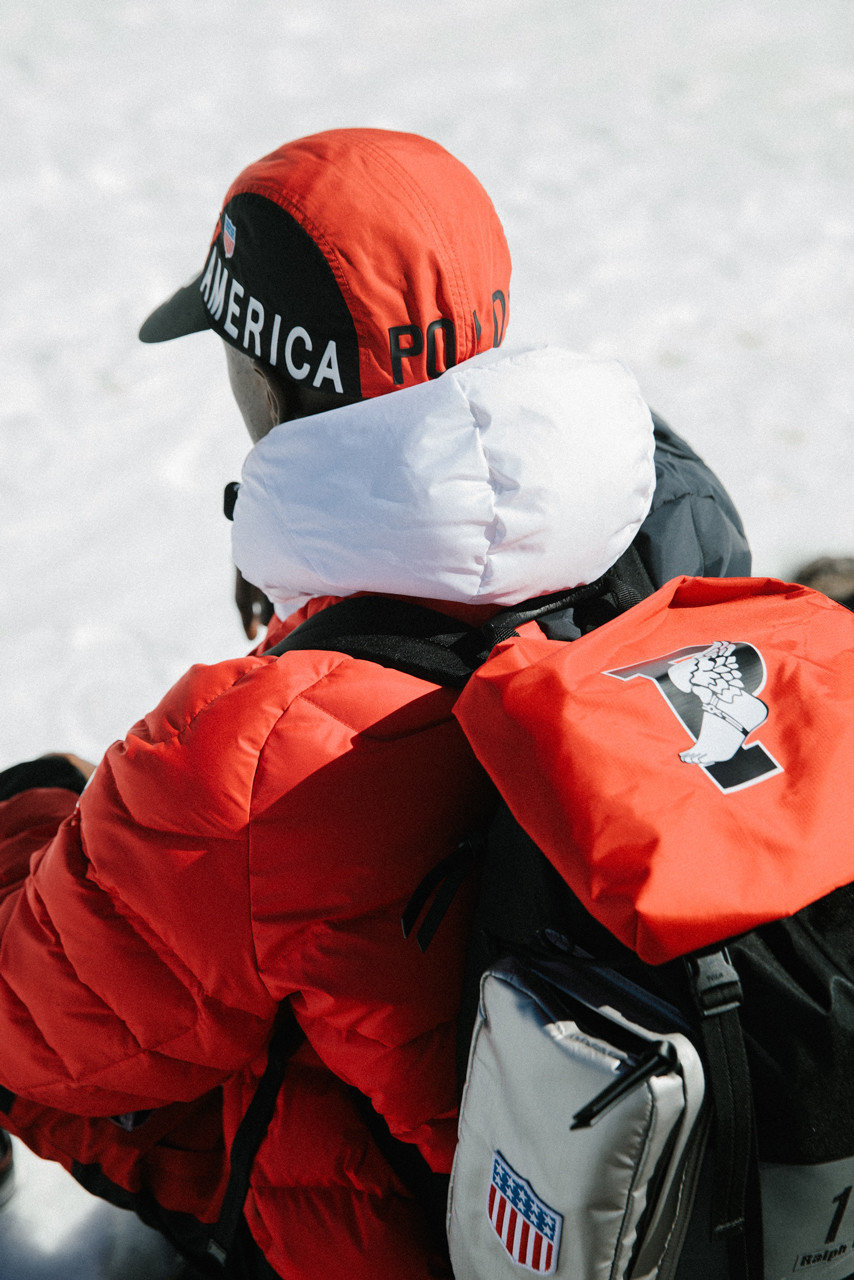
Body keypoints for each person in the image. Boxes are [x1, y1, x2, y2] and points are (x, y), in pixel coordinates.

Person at [0, 127, 750, 1280]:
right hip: (670, 1173)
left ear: (267, 373)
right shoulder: (665, 513)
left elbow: (33, 1022)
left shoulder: (253, 750)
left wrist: (44, 816)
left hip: (413, 1233)